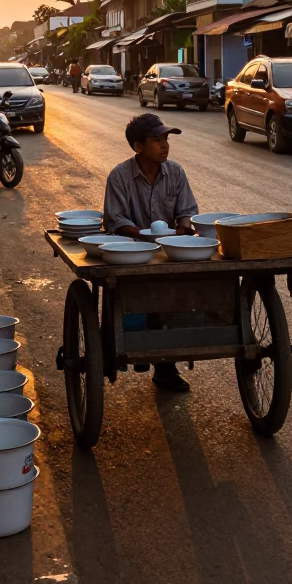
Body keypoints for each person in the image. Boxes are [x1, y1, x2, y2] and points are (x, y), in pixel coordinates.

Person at [103, 113, 199, 392]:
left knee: (177, 295)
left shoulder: (176, 172)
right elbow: (116, 220)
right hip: (131, 252)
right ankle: (137, 345)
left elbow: (186, 213)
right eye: (157, 140)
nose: (165, 145)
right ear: (138, 147)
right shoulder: (119, 176)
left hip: (169, 251)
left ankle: (165, 364)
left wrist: (181, 231)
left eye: (166, 139)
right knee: (136, 295)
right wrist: (146, 236)